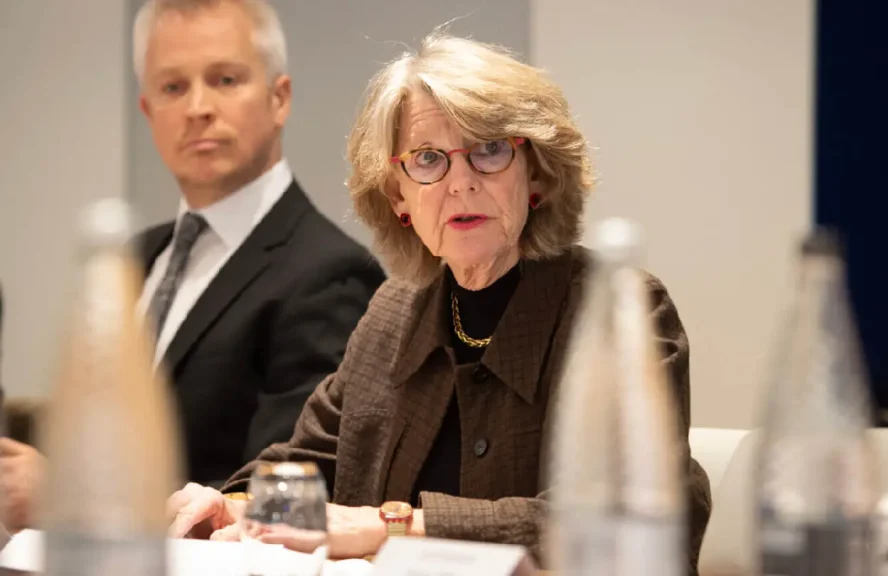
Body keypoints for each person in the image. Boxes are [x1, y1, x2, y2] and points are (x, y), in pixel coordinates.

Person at [165, 32, 712, 571]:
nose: (461, 183)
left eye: (490, 150)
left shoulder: (619, 313)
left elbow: (615, 518)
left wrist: (388, 527)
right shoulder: (392, 315)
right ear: (398, 196)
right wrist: (235, 506)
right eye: (428, 159)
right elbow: (308, 463)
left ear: (538, 175)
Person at [0, 0, 386, 530]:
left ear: (279, 98)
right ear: (148, 110)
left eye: (225, 79)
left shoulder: (332, 273)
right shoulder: (131, 257)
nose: (198, 107)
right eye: (173, 87)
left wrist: (68, 500)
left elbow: (283, 502)